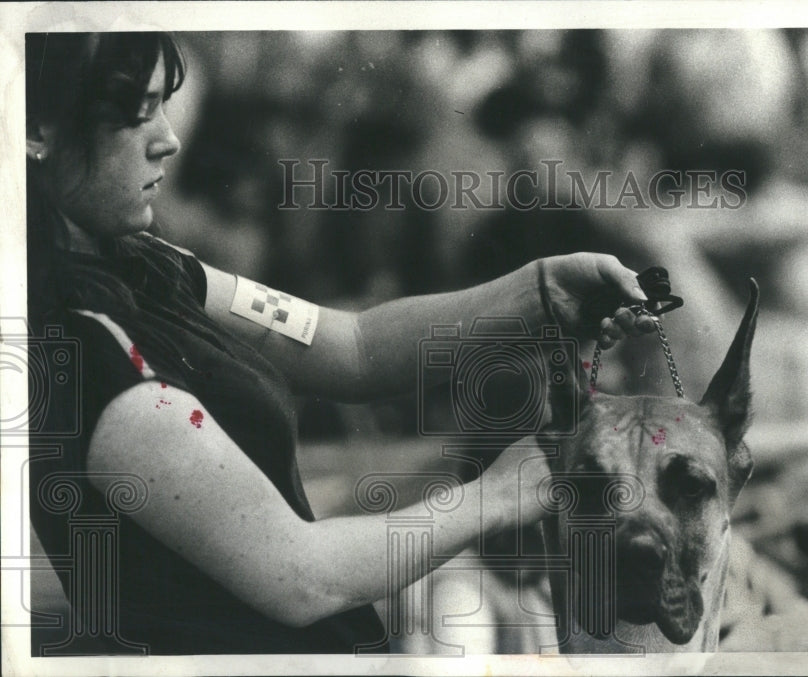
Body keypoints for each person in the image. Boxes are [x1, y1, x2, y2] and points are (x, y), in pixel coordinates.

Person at [25, 32, 655, 655]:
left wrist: (538, 291)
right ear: (35, 133)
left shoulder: (152, 267)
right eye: (134, 117)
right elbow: (301, 575)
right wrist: (495, 495)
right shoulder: (91, 355)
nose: (168, 138)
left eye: (164, 105)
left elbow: (351, 345)